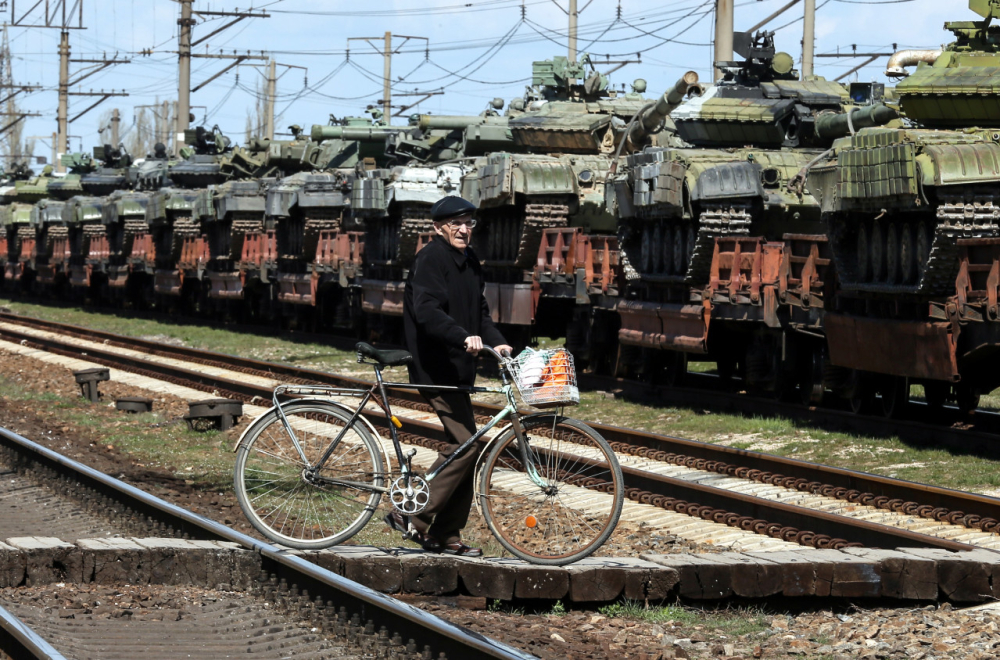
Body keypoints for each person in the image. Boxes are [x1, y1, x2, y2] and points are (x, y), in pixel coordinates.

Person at [388, 195, 513, 557]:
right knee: (468, 444)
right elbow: (426, 311)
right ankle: (412, 515)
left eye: (468, 223)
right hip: (436, 366)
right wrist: (461, 336)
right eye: (455, 223)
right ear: (438, 227)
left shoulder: (470, 261)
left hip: (458, 369)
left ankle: (446, 535)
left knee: (468, 449)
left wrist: (497, 342)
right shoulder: (430, 259)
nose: (463, 229)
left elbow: (481, 314)